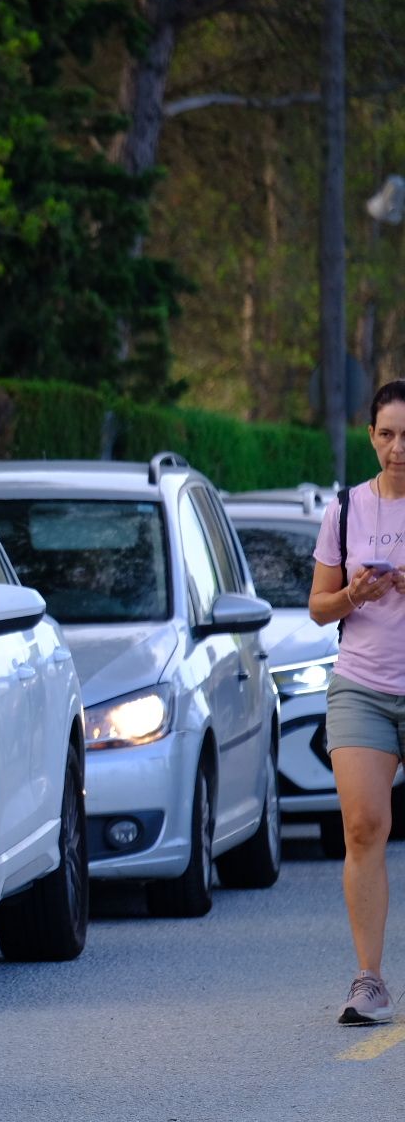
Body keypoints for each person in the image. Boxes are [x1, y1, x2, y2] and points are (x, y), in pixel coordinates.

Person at [310, 379, 405, 1026]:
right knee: (364, 827)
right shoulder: (345, 510)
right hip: (363, 686)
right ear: (371, 436)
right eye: (389, 434)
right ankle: (369, 980)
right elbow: (318, 608)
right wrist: (355, 597)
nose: (399, 448)